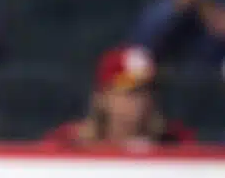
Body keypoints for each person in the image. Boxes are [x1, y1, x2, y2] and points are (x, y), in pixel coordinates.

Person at [44, 47, 193, 148]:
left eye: (148, 90)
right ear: (102, 98)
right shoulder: (68, 143)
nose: (143, 100)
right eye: (132, 91)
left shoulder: (175, 141)